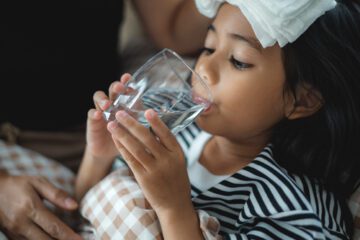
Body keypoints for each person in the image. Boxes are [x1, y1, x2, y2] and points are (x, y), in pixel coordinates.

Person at [76, 0, 360, 239]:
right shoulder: (174, 128)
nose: (203, 68)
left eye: (238, 61)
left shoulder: (295, 208)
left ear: (301, 100)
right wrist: (99, 156)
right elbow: (84, 213)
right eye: (209, 47)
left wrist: (174, 209)